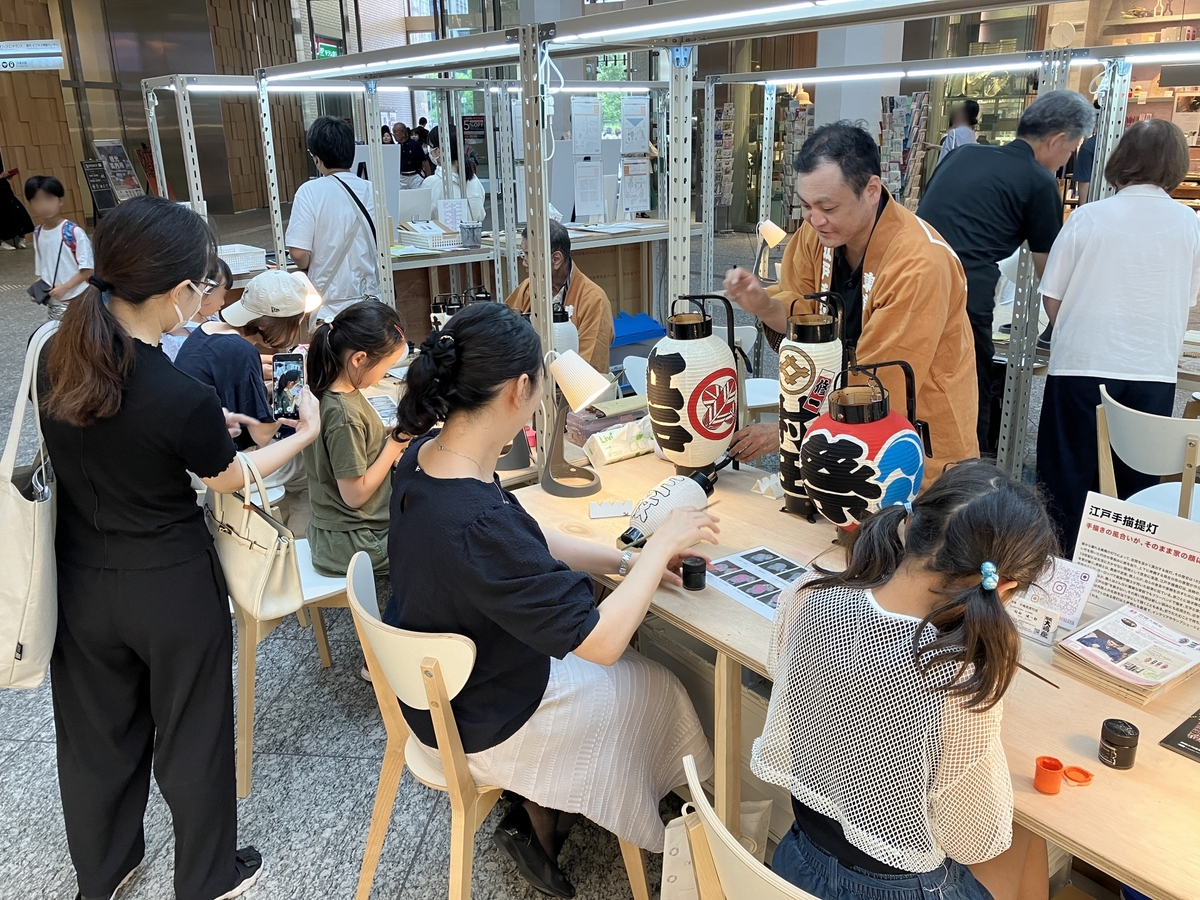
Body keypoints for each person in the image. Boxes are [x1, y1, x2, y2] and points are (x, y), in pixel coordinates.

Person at [38, 195, 321, 900]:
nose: (201, 301)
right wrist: (304, 436)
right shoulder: (177, 392)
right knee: (193, 732)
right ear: (175, 291)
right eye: (199, 287)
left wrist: (203, 422)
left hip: (80, 580)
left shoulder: (57, 359)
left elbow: (114, 424)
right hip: (169, 585)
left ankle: (104, 872)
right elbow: (228, 475)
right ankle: (206, 876)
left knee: (95, 739)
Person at [388, 303, 716, 897]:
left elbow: (526, 536)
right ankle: (676, 822)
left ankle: (549, 811)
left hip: (444, 692)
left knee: (631, 672)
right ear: (521, 389)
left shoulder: (427, 458)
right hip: (484, 717)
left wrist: (628, 563)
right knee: (658, 684)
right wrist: (662, 543)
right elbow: (602, 642)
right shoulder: (475, 521)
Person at [754, 460, 1058, 900]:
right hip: (899, 890)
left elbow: (782, 674)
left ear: (911, 525)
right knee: (1030, 830)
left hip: (799, 860)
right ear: (1003, 588)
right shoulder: (959, 677)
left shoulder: (807, 596)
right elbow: (970, 840)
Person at [724, 121, 978, 479]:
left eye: (828, 207)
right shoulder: (815, 236)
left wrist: (789, 429)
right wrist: (763, 305)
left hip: (916, 443)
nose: (815, 219)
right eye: (806, 206)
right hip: (836, 426)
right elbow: (804, 321)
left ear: (871, 190)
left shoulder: (920, 263)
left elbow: (878, 387)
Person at [1037, 119, 1200, 553]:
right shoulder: (1189, 223)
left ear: (1120, 158)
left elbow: (1052, 296)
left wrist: (1078, 329)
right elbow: (1186, 299)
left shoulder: (1088, 217)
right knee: (1135, 483)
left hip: (1080, 365)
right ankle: (1118, 565)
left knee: (1066, 477)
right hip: (1151, 370)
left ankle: (1061, 563)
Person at [917, 90, 1095, 454]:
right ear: (1058, 140)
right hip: (965, 297)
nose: (1066, 160)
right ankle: (969, 475)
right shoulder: (1039, 181)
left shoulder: (963, 154)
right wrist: (1072, 332)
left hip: (910, 280)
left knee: (917, 382)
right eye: (1070, 150)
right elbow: (1052, 276)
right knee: (971, 394)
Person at [303, 300, 409, 579]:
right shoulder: (344, 415)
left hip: (342, 533)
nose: (384, 375)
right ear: (359, 359)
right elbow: (354, 495)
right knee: (443, 543)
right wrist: (395, 444)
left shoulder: (332, 392)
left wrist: (386, 437)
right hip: (357, 542)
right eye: (385, 367)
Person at [174, 269, 309, 453]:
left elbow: (236, 392)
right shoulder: (241, 351)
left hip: (187, 449)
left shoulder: (207, 329)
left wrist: (273, 388)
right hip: (218, 459)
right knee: (304, 458)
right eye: (294, 325)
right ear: (266, 324)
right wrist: (291, 395)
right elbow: (262, 436)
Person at [286, 116, 381, 322]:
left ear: (317, 159)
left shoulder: (310, 191)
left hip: (328, 307)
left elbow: (299, 252)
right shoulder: (372, 190)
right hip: (370, 304)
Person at [504, 220, 614, 374]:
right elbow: (505, 335)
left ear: (556, 259)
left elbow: (588, 367)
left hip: (571, 383)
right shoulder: (528, 288)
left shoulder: (593, 300)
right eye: (524, 253)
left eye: (528, 254)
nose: (525, 263)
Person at [25, 175, 94, 321]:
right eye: (37, 200)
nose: (44, 205)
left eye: (49, 199)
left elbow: (87, 269)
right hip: (55, 303)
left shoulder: (73, 232)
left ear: (60, 200)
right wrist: (37, 290)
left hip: (79, 300)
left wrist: (65, 287)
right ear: (31, 204)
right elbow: (43, 272)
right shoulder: (38, 233)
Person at [161, 257, 232, 362]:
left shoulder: (211, 318)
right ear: (203, 290)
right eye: (222, 295)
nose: (222, 302)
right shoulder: (180, 338)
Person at [423, 124, 486, 223]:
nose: (430, 151)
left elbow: (425, 218)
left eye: (431, 147)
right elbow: (480, 215)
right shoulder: (473, 179)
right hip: (472, 232)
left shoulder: (431, 183)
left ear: (438, 151)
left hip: (442, 232)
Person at [0, 150, 33, 250]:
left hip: (4, 188)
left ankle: (21, 237)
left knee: (19, 210)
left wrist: (6, 176)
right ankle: (1, 242)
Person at [393, 123, 425, 190]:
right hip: (402, 178)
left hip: (415, 176)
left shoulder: (415, 144)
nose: (394, 135)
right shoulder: (396, 148)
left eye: (395, 132)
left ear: (403, 133)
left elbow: (425, 161)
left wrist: (428, 178)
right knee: (401, 195)